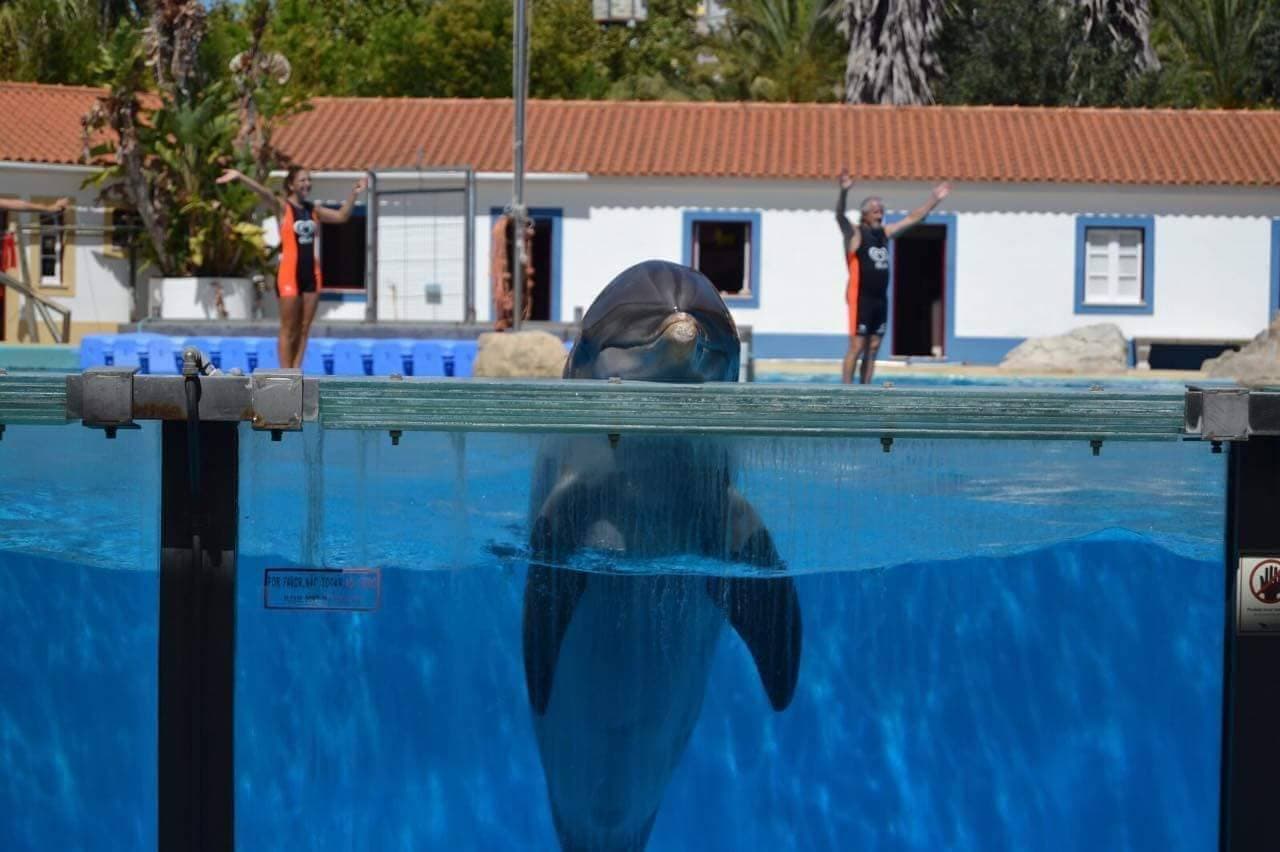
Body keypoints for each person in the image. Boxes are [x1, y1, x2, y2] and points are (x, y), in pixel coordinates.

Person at [217, 165, 367, 368]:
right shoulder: (283, 207)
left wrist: (354, 194)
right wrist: (240, 176)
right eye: (302, 180)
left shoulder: (312, 210)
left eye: (308, 180)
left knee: (304, 328)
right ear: (291, 184)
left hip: (312, 275)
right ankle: (285, 373)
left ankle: (296, 371)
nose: (307, 184)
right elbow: (264, 193)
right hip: (289, 275)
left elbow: (341, 217)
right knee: (289, 328)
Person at [836, 172, 950, 384]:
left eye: (882, 210)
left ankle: (865, 391)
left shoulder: (885, 234)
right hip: (860, 299)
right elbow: (840, 216)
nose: (880, 213)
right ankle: (846, 391)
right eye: (875, 210)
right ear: (865, 215)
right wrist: (844, 191)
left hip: (880, 300)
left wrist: (934, 200)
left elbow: (913, 218)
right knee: (857, 346)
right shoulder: (856, 234)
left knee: (874, 346)